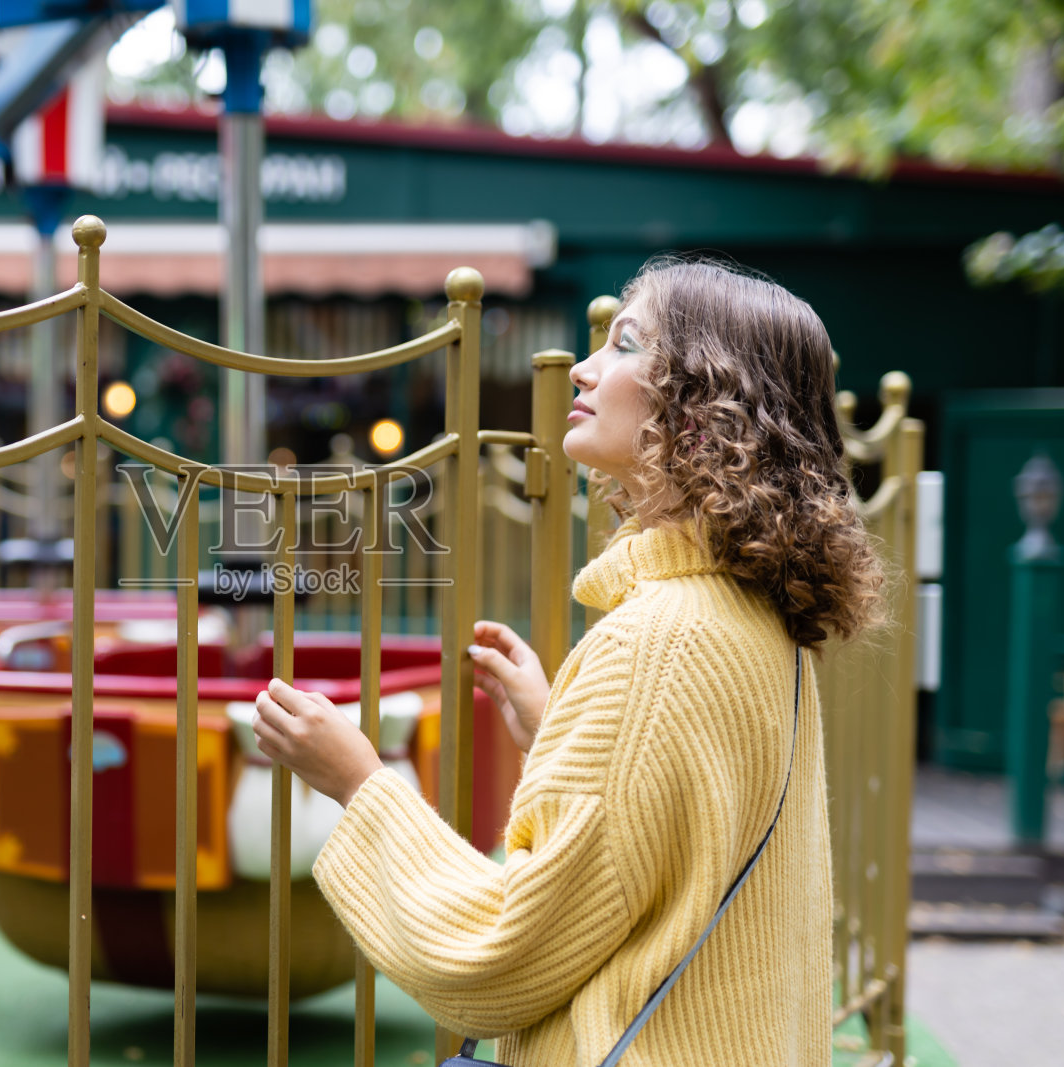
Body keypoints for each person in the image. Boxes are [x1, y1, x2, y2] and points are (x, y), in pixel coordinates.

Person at [252, 257, 888, 1066]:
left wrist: (360, 783)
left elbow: (501, 956)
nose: (583, 368)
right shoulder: (752, 615)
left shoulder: (654, 643)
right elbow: (681, 846)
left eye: (626, 343)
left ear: (702, 410)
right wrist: (561, 729)